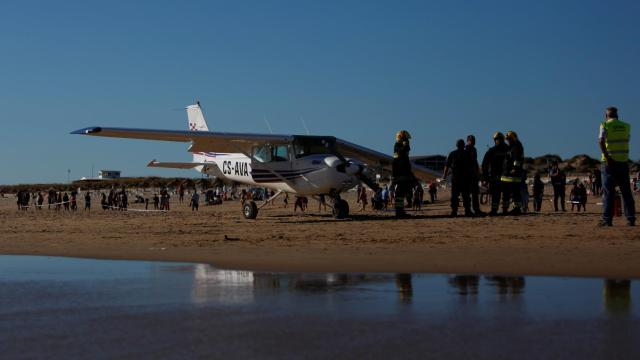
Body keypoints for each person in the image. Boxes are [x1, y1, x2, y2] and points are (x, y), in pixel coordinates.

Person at [598, 106, 635, 226]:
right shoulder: (626, 126)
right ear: (617, 115)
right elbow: (626, 140)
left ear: (606, 116)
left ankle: (607, 219)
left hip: (609, 162)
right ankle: (631, 218)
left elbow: (601, 140)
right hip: (623, 161)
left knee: (608, 192)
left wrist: (607, 157)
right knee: (626, 191)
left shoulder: (604, 125)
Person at [481, 132, 509, 215]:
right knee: (497, 194)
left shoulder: (507, 149)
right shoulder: (492, 150)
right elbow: (484, 164)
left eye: (499, 139)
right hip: (496, 176)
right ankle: (496, 210)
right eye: (497, 139)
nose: (498, 141)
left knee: (505, 194)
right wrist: (485, 176)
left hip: (504, 176)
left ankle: (502, 210)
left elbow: (484, 164)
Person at [443, 139, 472, 217]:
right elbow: (471, 166)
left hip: (456, 178)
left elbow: (447, 166)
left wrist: (444, 176)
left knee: (455, 196)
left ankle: (454, 211)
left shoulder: (452, 154)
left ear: (456, 145)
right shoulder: (467, 154)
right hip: (465, 178)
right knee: (466, 195)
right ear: (463, 145)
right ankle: (467, 211)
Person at [391, 130, 417, 218]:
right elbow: (404, 151)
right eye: (405, 139)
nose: (408, 141)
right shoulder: (397, 146)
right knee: (400, 193)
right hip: (400, 173)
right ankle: (399, 212)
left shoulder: (401, 149)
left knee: (401, 193)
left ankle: (400, 211)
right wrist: (405, 144)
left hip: (402, 172)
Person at [500, 130, 524, 215]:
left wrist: (515, 168)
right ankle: (505, 209)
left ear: (513, 138)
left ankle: (516, 209)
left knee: (515, 193)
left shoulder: (517, 146)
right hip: (507, 174)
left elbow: (517, 159)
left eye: (509, 139)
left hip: (513, 175)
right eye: (507, 139)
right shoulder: (511, 147)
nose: (508, 141)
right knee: (506, 194)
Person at [466, 135, 485, 216]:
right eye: (472, 140)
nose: (474, 142)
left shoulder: (474, 149)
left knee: (475, 193)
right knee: (467, 194)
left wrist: (479, 173)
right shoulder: (465, 149)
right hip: (467, 175)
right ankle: (468, 210)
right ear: (468, 141)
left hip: (474, 175)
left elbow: (475, 162)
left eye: (474, 140)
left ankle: (476, 209)